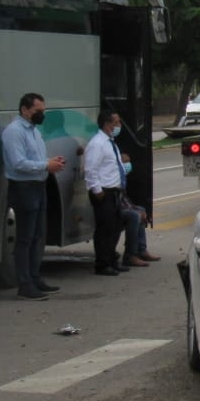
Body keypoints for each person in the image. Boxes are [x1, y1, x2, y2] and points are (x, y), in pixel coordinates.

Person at [1, 92, 67, 300]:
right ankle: (24, 284)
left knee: (39, 235)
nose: (41, 114)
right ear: (24, 110)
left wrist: (50, 161)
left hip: (39, 186)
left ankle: (35, 277)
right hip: (23, 188)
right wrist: (46, 165)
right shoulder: (14, 132)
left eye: (43, 110)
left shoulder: (34, 131)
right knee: (25, 238)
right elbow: (17, 163)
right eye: (38, 111)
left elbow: (35, 159)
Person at [83, 110, 129, 277]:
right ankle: (102, 264)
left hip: (114, 191)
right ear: (107, 124)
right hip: (104, 193)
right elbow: (90, 169)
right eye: (117, 123)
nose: (119, 126)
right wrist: (97, 190)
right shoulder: (98, 144)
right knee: (105, 229)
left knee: (115, 228)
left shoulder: (110, 142)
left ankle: (111, 260)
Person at [118, 154, 160, 267]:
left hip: (121, 206)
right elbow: (119, 203)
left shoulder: (122, 178)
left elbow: (125, 200)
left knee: (140, 209)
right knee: (134, 215)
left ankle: (141, 250)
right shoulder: (114, 178)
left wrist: (137, 209)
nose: (128, 166)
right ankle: (130, 255)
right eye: (125, 163)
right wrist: (135, 210)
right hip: (114, 209)